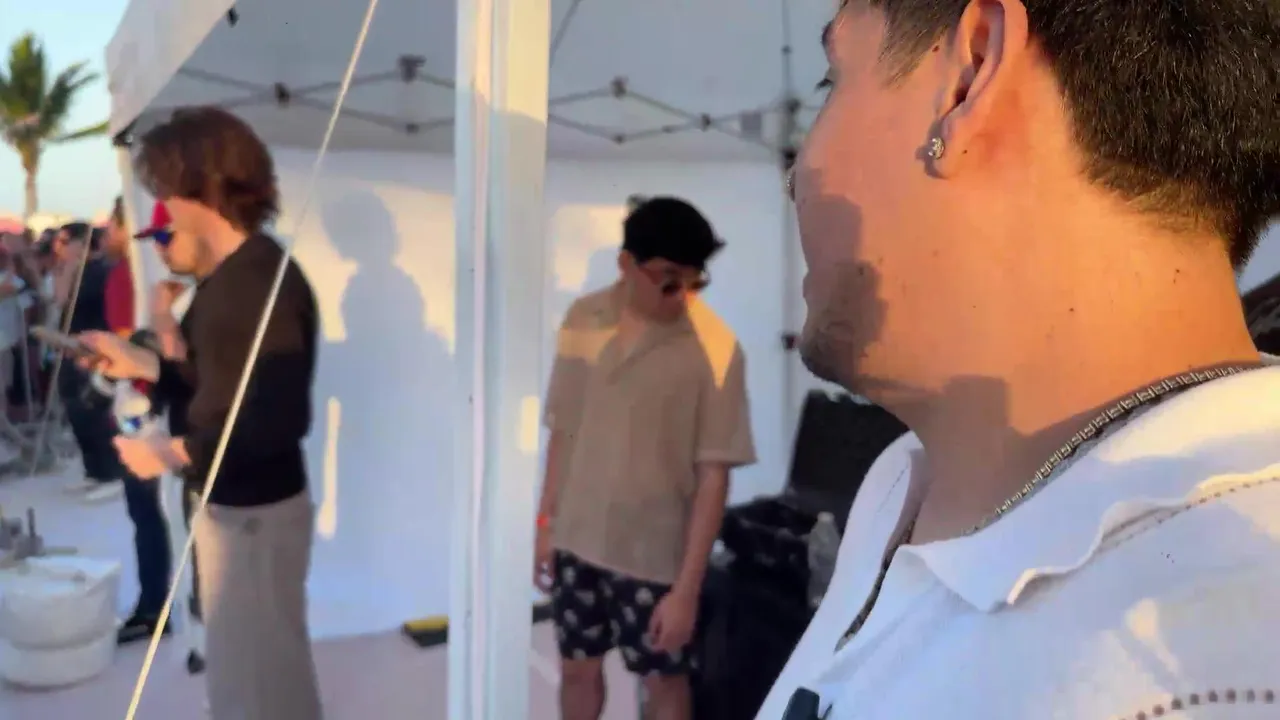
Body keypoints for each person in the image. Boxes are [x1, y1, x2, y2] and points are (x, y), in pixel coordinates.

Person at [759, 2, 1280, 719]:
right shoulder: (902, 483)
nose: (795, 175)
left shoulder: (1217, 662)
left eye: (832, 80)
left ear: (971, 71)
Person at [79, 105, 322, 720]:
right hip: (234, 508)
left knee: (258, 687)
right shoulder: (231, 279)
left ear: (200, 187)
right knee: (250, 676)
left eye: (165, 186)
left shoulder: (258, 282)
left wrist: (167, 452)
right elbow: (215, 385)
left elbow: (277, 419)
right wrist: (141, 363)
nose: (161, 202)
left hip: (254, 515)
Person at [535, 196, 756, 720]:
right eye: (668, 280)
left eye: (695, 281)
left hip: (656, 556)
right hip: (577, 541)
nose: (683, 295)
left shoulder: (717, 351)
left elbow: (714, 478)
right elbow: (563, 430)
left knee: (665, 682)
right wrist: (545, 525)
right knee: (576, 671)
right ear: (626, 264)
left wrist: (687, 591)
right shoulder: (584, 318)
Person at [96, 197, 175, 645]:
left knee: (145, 509)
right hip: (164, 403)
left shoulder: (124, 277)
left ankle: (153, 608)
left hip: (140, 409)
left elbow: (127, 347)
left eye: (111, 225)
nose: (107, 234)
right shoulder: (153, 275)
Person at [55, 221, 125, 503]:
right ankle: (93, 469)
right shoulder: (73, 271)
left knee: (94, 412)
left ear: (82, 242)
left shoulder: (99, 271)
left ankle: (111, 472)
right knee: (75, 410)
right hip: (72, 349)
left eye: (64, 241)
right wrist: (67, 268)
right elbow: (58, 300)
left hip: (93, 351)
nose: (58, 247)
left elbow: (68, 301)